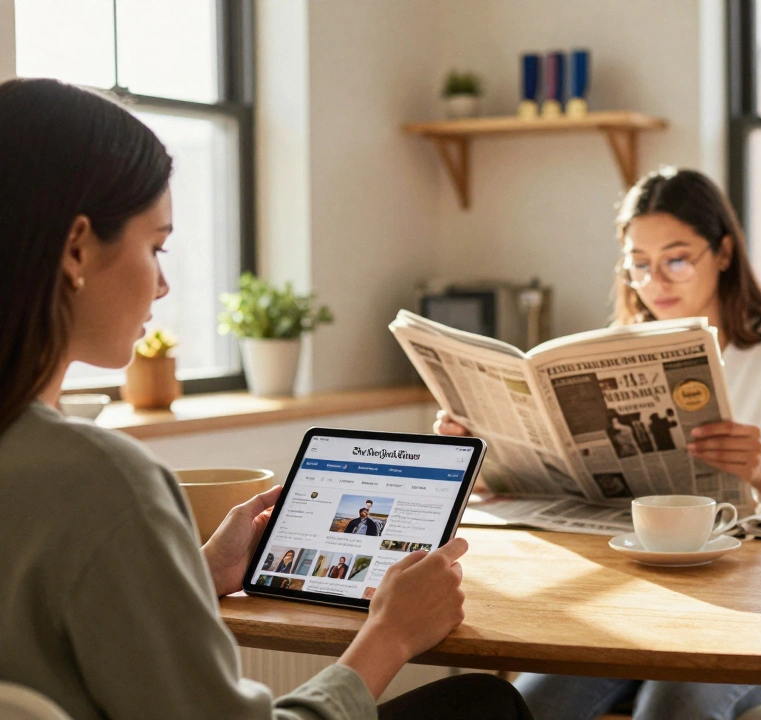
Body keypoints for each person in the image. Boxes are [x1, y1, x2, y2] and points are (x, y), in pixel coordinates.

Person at [0, 78, 534, 720]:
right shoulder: (106, 484)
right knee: (482, 704)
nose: (165, 284)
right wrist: (390, 635)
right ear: (77, 249)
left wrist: (197, 576)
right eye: (156, 245)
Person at [437, 168, 761, 719]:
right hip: (632, 601)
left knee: (671, 706)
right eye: (640, 264)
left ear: (723, 253)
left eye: (677, 259)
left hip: (752, 606)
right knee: (529, 705)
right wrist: (481, 452)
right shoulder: (612, 347)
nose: (656, 282)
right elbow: (560, 490)